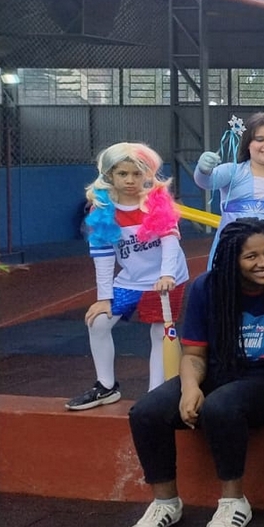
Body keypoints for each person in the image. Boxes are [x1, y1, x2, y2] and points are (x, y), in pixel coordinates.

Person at [122, 218, 264, 527]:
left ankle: (233, 503)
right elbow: (194, 354)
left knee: (220, 407)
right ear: (231, 259)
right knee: (146, 411)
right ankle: (166, 503)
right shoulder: (207, 288)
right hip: (214, 375)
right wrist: (189, 388)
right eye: (251, 256)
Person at [70, 142, 189, 410]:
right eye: (122, 173)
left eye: (137, 174)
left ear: (147, 174)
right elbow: (103, 255)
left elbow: (170, 242)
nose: (130, 180)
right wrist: (104, 297)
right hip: (130, 280)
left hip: (166, 278)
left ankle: (155, 394)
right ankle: (106, 386)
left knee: (159, 331)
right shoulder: (102, 209)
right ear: (110, 175)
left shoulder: (156, 203)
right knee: (98, 323)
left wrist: (167, 274)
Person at [194, 113, 264, 266]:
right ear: (248, 143)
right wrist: (203, 169)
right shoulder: (232, 171)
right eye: (259, 139)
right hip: (229, 257)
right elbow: (206, 181)